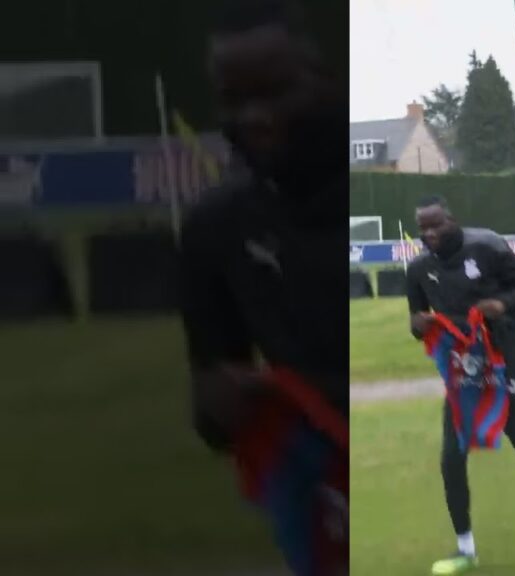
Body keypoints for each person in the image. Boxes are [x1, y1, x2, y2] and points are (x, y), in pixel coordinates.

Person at [177, 0, 346, 574]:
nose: (254, 116)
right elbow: (215, 408)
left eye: (275, 91)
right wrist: (220, 406)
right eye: (234, 99)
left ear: (325, 78)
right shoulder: (215, 229)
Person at [406, 196, 515, 576]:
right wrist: (418, 325)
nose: (430, 234)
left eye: (436, 225)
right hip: (464, 373)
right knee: (451, 460)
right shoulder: (419, 268)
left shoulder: (486, 246)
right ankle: (465, 550)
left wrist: (502, 305)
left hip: (506, 362)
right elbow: (417, 320)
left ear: (452, 220)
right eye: (423, 228)